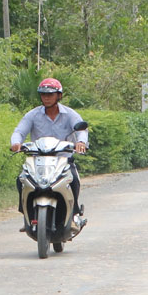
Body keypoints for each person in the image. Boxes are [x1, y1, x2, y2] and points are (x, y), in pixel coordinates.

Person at [10, 77, 88, 230]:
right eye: (43, 95)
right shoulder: (32, 115)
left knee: (74, 181)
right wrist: (16, 143)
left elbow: (81, 130)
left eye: (50, 94)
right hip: (38, 162)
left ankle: (73, 215)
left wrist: (81, 143)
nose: (46, 98)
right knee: (21, 180)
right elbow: (19, 131)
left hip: (63, 161)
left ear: (59, 96)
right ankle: (28, 216)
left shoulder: (70, 114)